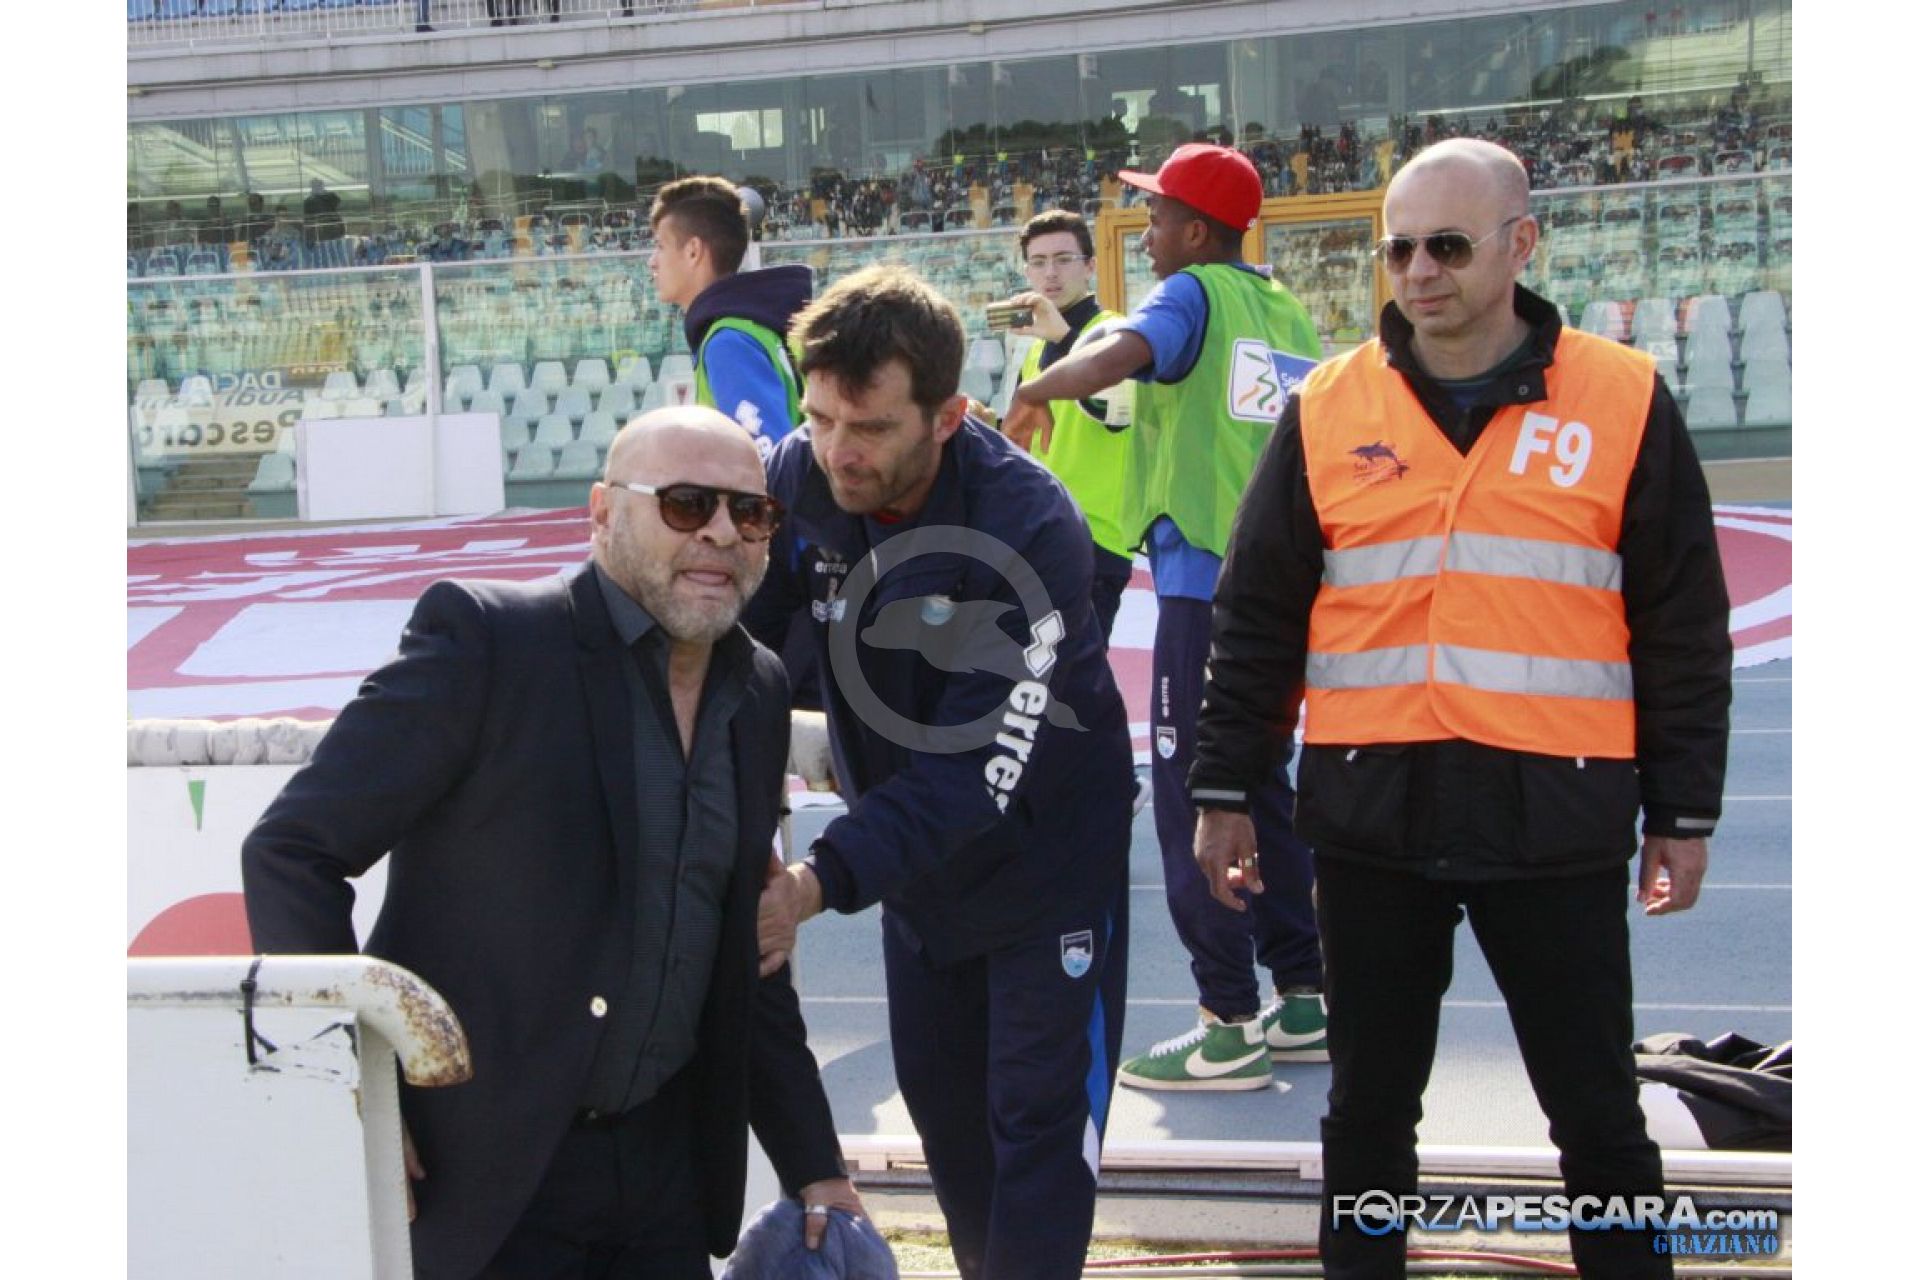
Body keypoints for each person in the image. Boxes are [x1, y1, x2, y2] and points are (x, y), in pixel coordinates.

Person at [1187, 138, 1732, 1278]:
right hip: (1371, 821)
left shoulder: (1624, 396)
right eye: (1397, 250)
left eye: (1446, 245)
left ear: (1521, 244)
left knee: (1598, 1115)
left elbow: (1681, 622)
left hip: (1558, 821)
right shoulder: (1329, 404)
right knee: (1367, 1116)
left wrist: (1684, 810)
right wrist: (1226, 787)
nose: (1418, 272)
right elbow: (1259, 614)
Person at [242, 407, 864, 1280]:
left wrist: (815, 1166)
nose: (722, 533)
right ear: (603, 511)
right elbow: (292, 851)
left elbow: (742, 950)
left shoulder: (758, 689)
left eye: (750, 512)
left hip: (665, 1182)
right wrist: (352, 1087)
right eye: (686, 504)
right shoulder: (489, 642)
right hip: (484, 1180)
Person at [750, 265, 1134, 1280]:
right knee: (953, 1136)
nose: (838, 450)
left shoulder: (1027, 525)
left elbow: (973, 774)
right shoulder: (799, 477)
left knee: (1036, 1135)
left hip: (1048, 868)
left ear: (950, 416)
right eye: (819, 417)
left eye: (870, 427)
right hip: (918, 881)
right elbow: (736, 645)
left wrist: (811, 883)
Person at [1006, 142, 1327, 1092]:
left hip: (1203, 583)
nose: (1144, 233)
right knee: (1263, 784)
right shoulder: (1283, 307)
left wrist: (1037, 384)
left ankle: (1227, 1021)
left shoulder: (1189, 295)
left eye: (1155, 217)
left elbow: (1120, 354)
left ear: (1195, 230)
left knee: (1194, 792)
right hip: (1275, 586)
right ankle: (1305, 995)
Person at [998, 209, 1134, 646]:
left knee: (1075, 670)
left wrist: (1064, 339)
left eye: (1063, 259)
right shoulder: (1034, 347)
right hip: (1043, 530)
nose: (1050, 273)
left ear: (1090, 266)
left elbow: (1118, 406)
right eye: (1038, 262)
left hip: (1097, 535)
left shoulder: (1115, 331)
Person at [650, 176, 809, 463]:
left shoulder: (728, 344)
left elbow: (767, 466)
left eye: (660, 246)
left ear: (693, 251)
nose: (652, 261)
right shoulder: (750, 327)